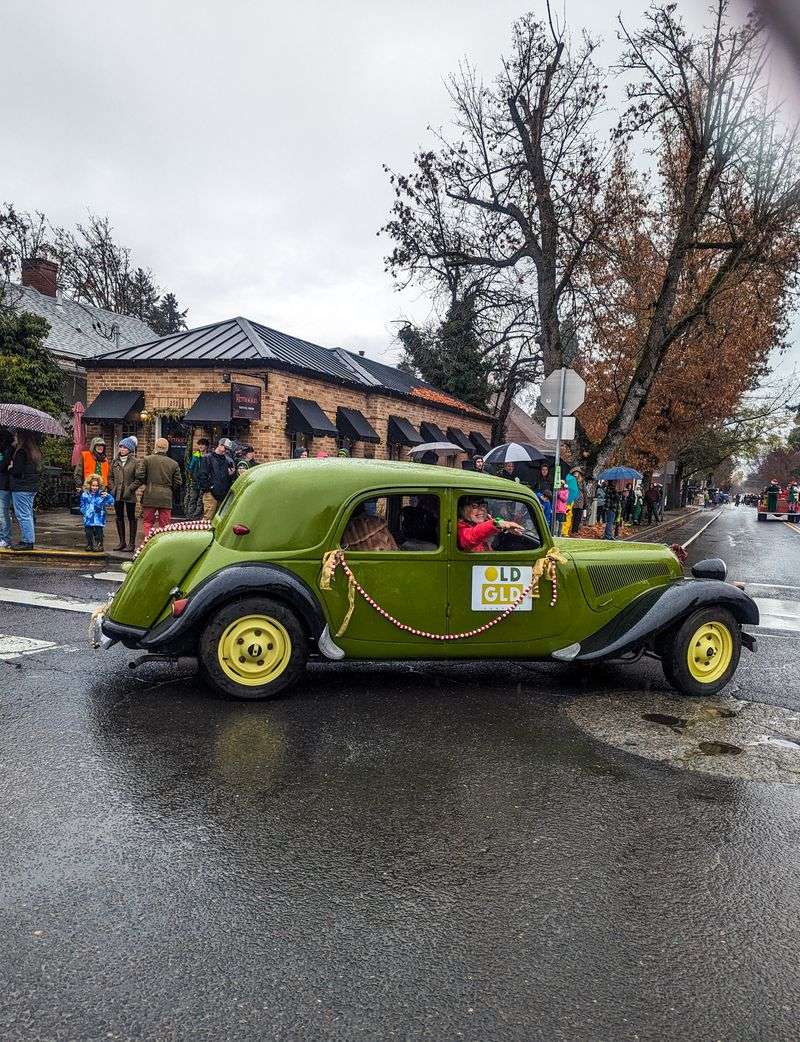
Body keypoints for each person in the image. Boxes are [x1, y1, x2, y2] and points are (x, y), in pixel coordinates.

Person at [131, 437, 182, 540]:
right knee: (165, 525)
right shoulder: (173, 463)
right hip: (166, 496)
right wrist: (169, 489)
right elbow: (178, 482)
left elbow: (140, 475)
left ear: (155, 447)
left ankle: (148, 542)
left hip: (150, 494)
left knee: (148, 522)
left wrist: (148, 482)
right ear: (167, 449)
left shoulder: (147, 459)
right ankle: (161, 544)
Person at [9, 430, 41, 550]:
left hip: (21, 487)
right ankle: (27, 539)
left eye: (16, 435)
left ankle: (27, 541)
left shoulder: (21, 452)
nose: (14, 437)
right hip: (30, 487)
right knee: (27, 514)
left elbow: (17, 471)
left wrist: (10, 467)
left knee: (23, 515)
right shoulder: (33, 452)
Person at [457, 496, 523, 552]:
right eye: (475, 506)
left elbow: (495, 522)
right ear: (461, 510)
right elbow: (469, 538)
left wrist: (504, 527)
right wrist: (494, 524)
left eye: (484, 505)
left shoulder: (484, 521)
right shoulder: (459, 526)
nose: (482, 509)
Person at [109, 436, 139, 551]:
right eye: (120, 447)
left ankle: (131, 544)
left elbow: (138, 479)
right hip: (117, 493)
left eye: (125, 447)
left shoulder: (135, 462)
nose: (122, 449)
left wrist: (130, 489)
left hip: (129, 494)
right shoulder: (114, 462)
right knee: (119, 516)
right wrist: (113, 488)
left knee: (131, 517)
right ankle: (122, 542)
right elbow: (110, 477)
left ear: (130, 449)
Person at [198, 437, 235, 519]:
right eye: (225, 448)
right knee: (207, 519)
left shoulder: (228, 460)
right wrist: (208, 489)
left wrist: (231, 473)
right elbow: (202, 475)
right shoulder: (207, 458)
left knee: (219, 521)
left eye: (227, 449)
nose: (226, 450)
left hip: (223, 494)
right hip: (210, 494)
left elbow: (230, 477)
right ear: (220, 445)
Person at [80, 475, 114, 552]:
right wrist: (84, 512)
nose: (95, 487)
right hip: (88, 516)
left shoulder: (101, 494)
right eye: (93, 485)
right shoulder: (85, 494)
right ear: (89, 485)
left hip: (98, 516)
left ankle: (100, 545)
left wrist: (107, 496)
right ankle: (90, 544)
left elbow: (111, 501)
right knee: (88, 531)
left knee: (99, 532)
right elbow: (82, 504)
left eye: (96, 486)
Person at [184, 437, 209, 519]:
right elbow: (191, 468)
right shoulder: (195, 455)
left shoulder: (208, 457)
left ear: (206, 446)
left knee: (201, 501)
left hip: (204, 481)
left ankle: (196, 516)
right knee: (193, 499)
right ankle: (189, 516)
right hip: (195, 481)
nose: (201, 446)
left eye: (203, 444)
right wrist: (191, 477)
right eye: (199, 445)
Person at [0, 428, 13, 549]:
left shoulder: (7, 449)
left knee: (2, 513)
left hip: (3, 484)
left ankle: (5, 538)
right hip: (3, 483)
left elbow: (3, 465)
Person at [567, 467, 585, 536]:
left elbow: (584, 491)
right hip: (573, 501)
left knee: (578, 517)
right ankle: (570, 531)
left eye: (577, 472)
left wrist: (585, 502)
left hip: (580, 501)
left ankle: (575, 531)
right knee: (571, 517)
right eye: (575, 472)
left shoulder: (582, 481)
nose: (576, 474)